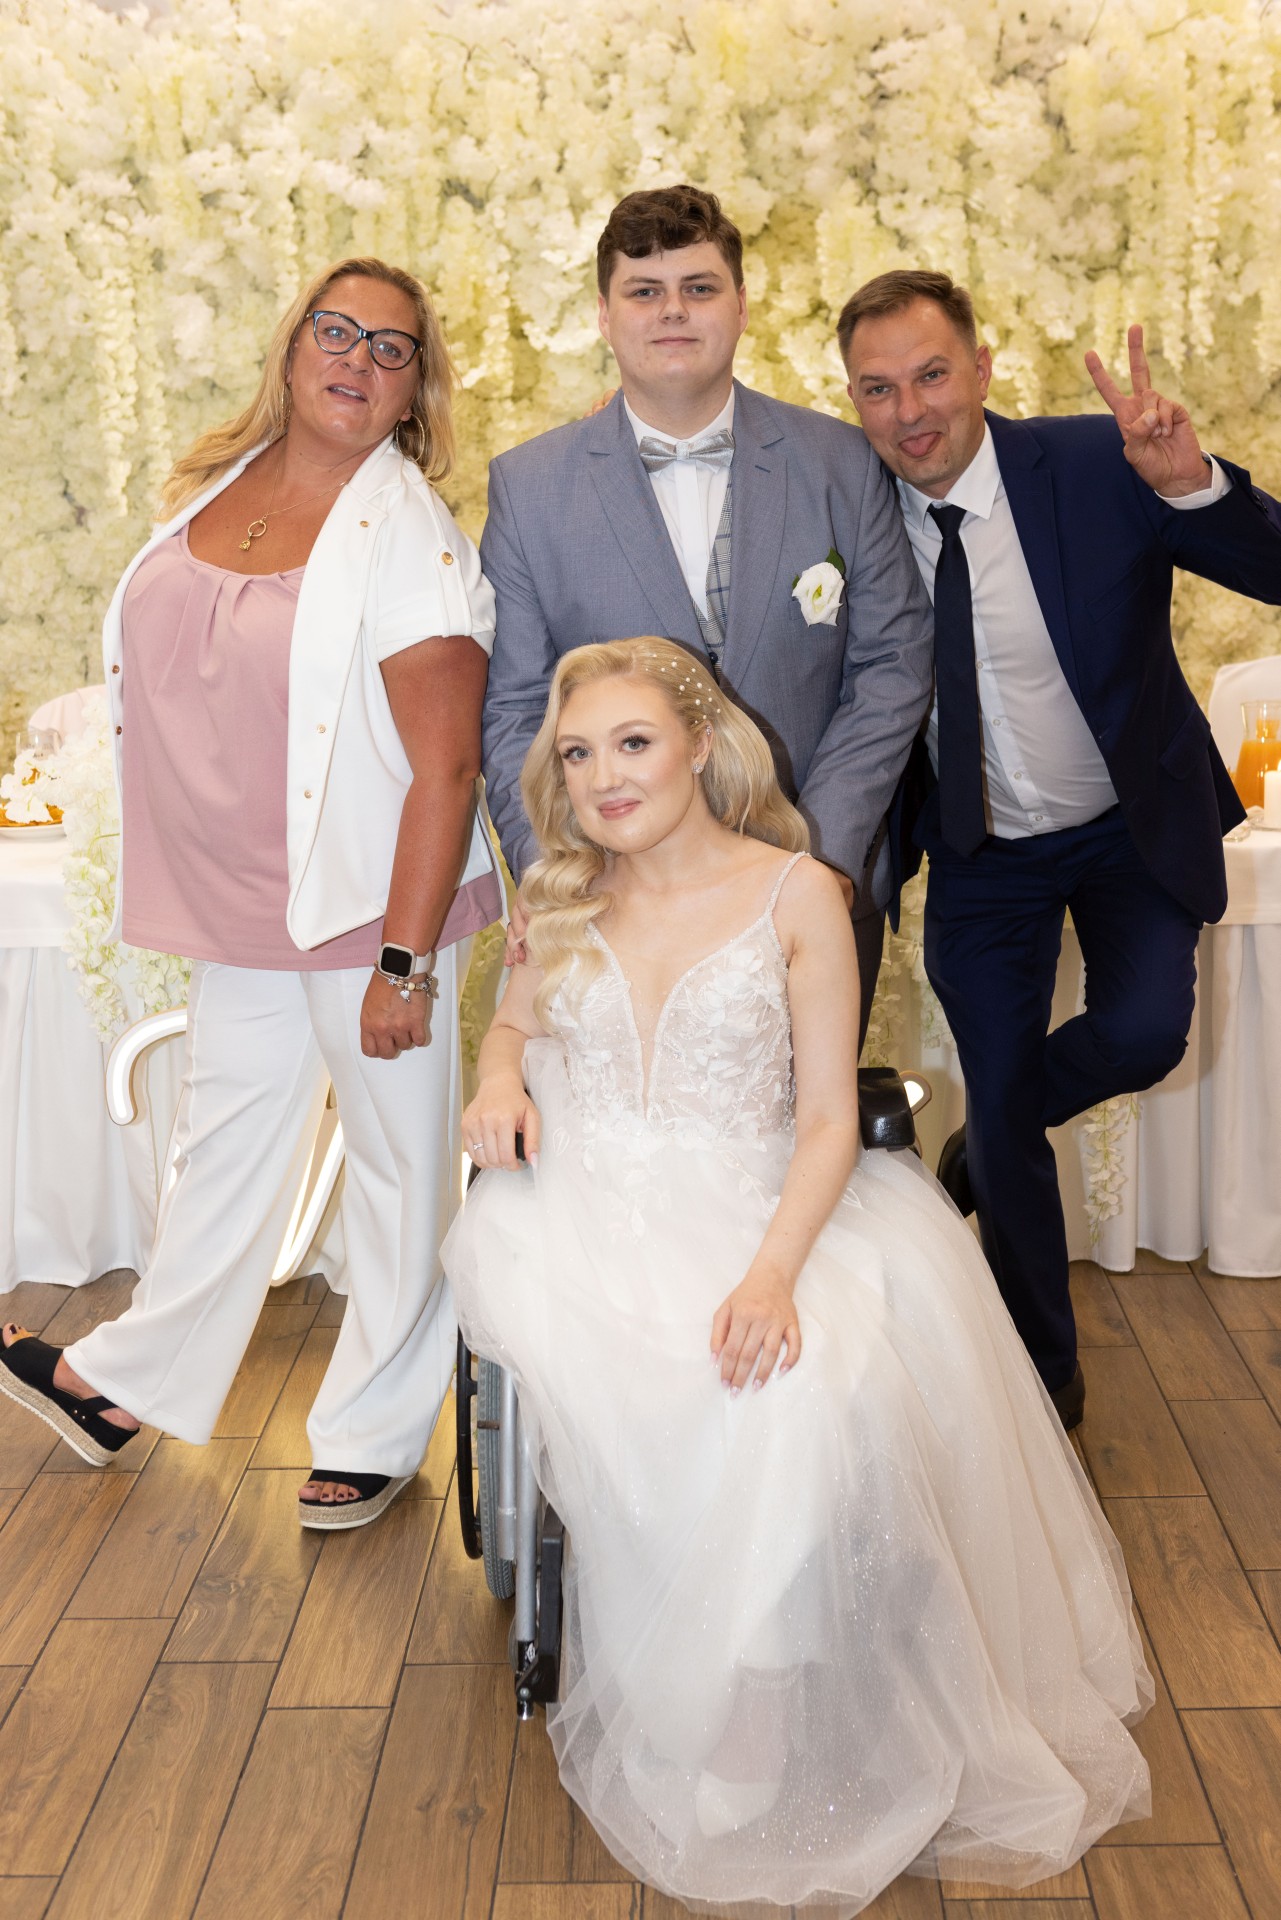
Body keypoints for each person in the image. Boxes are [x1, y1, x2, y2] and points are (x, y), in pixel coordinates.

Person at [443, 637, 1152, 1913]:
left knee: (796, 1384)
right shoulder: (559, 895)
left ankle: (757, 1692)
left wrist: (772, 1277)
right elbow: (511, 1026)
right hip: (576, 1214)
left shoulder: (799, 896)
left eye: (633, 742)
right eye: (578, 753)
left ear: (701, 745)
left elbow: (828, 1119)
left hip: (760, 1205)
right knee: (660, 1384)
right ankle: (683, 1675)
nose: (604, 776)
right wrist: (500, 1080)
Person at [0, 257, 501, 1530]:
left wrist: (403, 964)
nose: (357, 359)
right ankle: (123, 1385)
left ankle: (374, 1434)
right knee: (219, 1152)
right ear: (291, 347)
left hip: (368, 911)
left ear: (415, 392)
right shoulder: (220, 487)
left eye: (391, 348)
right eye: (336, 331)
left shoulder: (409, 537)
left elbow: (447, 765)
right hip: (246, 906)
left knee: (398, 1168)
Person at [838, 270, 1281, 1428]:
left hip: (1127, 827)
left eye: (932, 375)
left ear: (983, 370)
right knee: (998, 1087)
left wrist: (1192, 487)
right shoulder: (850, 512)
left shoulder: (1095, 464)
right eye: (878, 389)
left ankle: (991, 1143)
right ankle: (1044, 1376)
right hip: (978, 849)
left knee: (1142, 1033)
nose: (909, 411)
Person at [480, 185, 933, 1042]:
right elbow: (513, 710)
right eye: (643, 291)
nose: (672, 311)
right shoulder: (528, 488)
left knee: (814, 1114)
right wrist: (551, 874)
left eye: (698, 287)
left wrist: (819, 858)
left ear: (741, 305)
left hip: (813, 879)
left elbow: (892, 666)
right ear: (604, 316)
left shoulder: (842, 461)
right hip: (612, 895)